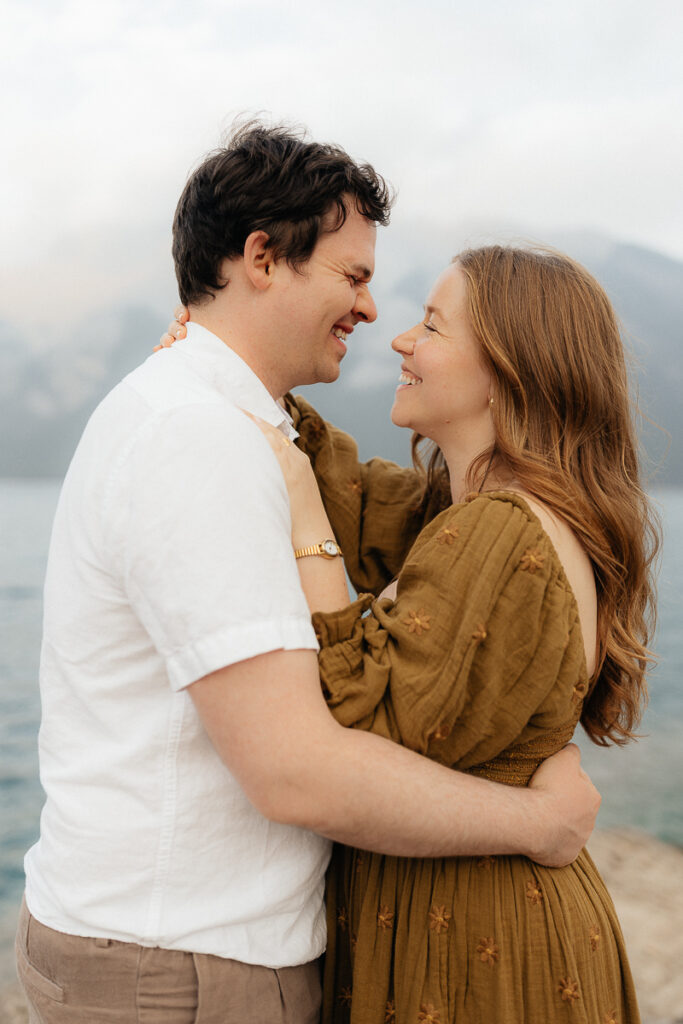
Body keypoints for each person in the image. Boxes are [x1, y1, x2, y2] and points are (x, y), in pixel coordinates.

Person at [18, 123, 599, 1024]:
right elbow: (296, 771)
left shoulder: (224, 425)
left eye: (421, 316)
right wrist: (539, 821)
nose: (373, 313)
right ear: (261, 257)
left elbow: (378, 520)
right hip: (180, 964)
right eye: (353, 276)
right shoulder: (197, 437)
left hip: (198, 952)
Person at [233, 245, 656, 1023]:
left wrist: (303, 525)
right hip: (489, 907)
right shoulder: (482, 517)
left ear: (508, 368)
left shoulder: (500, 531)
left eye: (431, 325)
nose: (401, 339)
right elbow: (363, 500)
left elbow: (350, 714)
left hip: (468, 937)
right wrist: (234, 368)